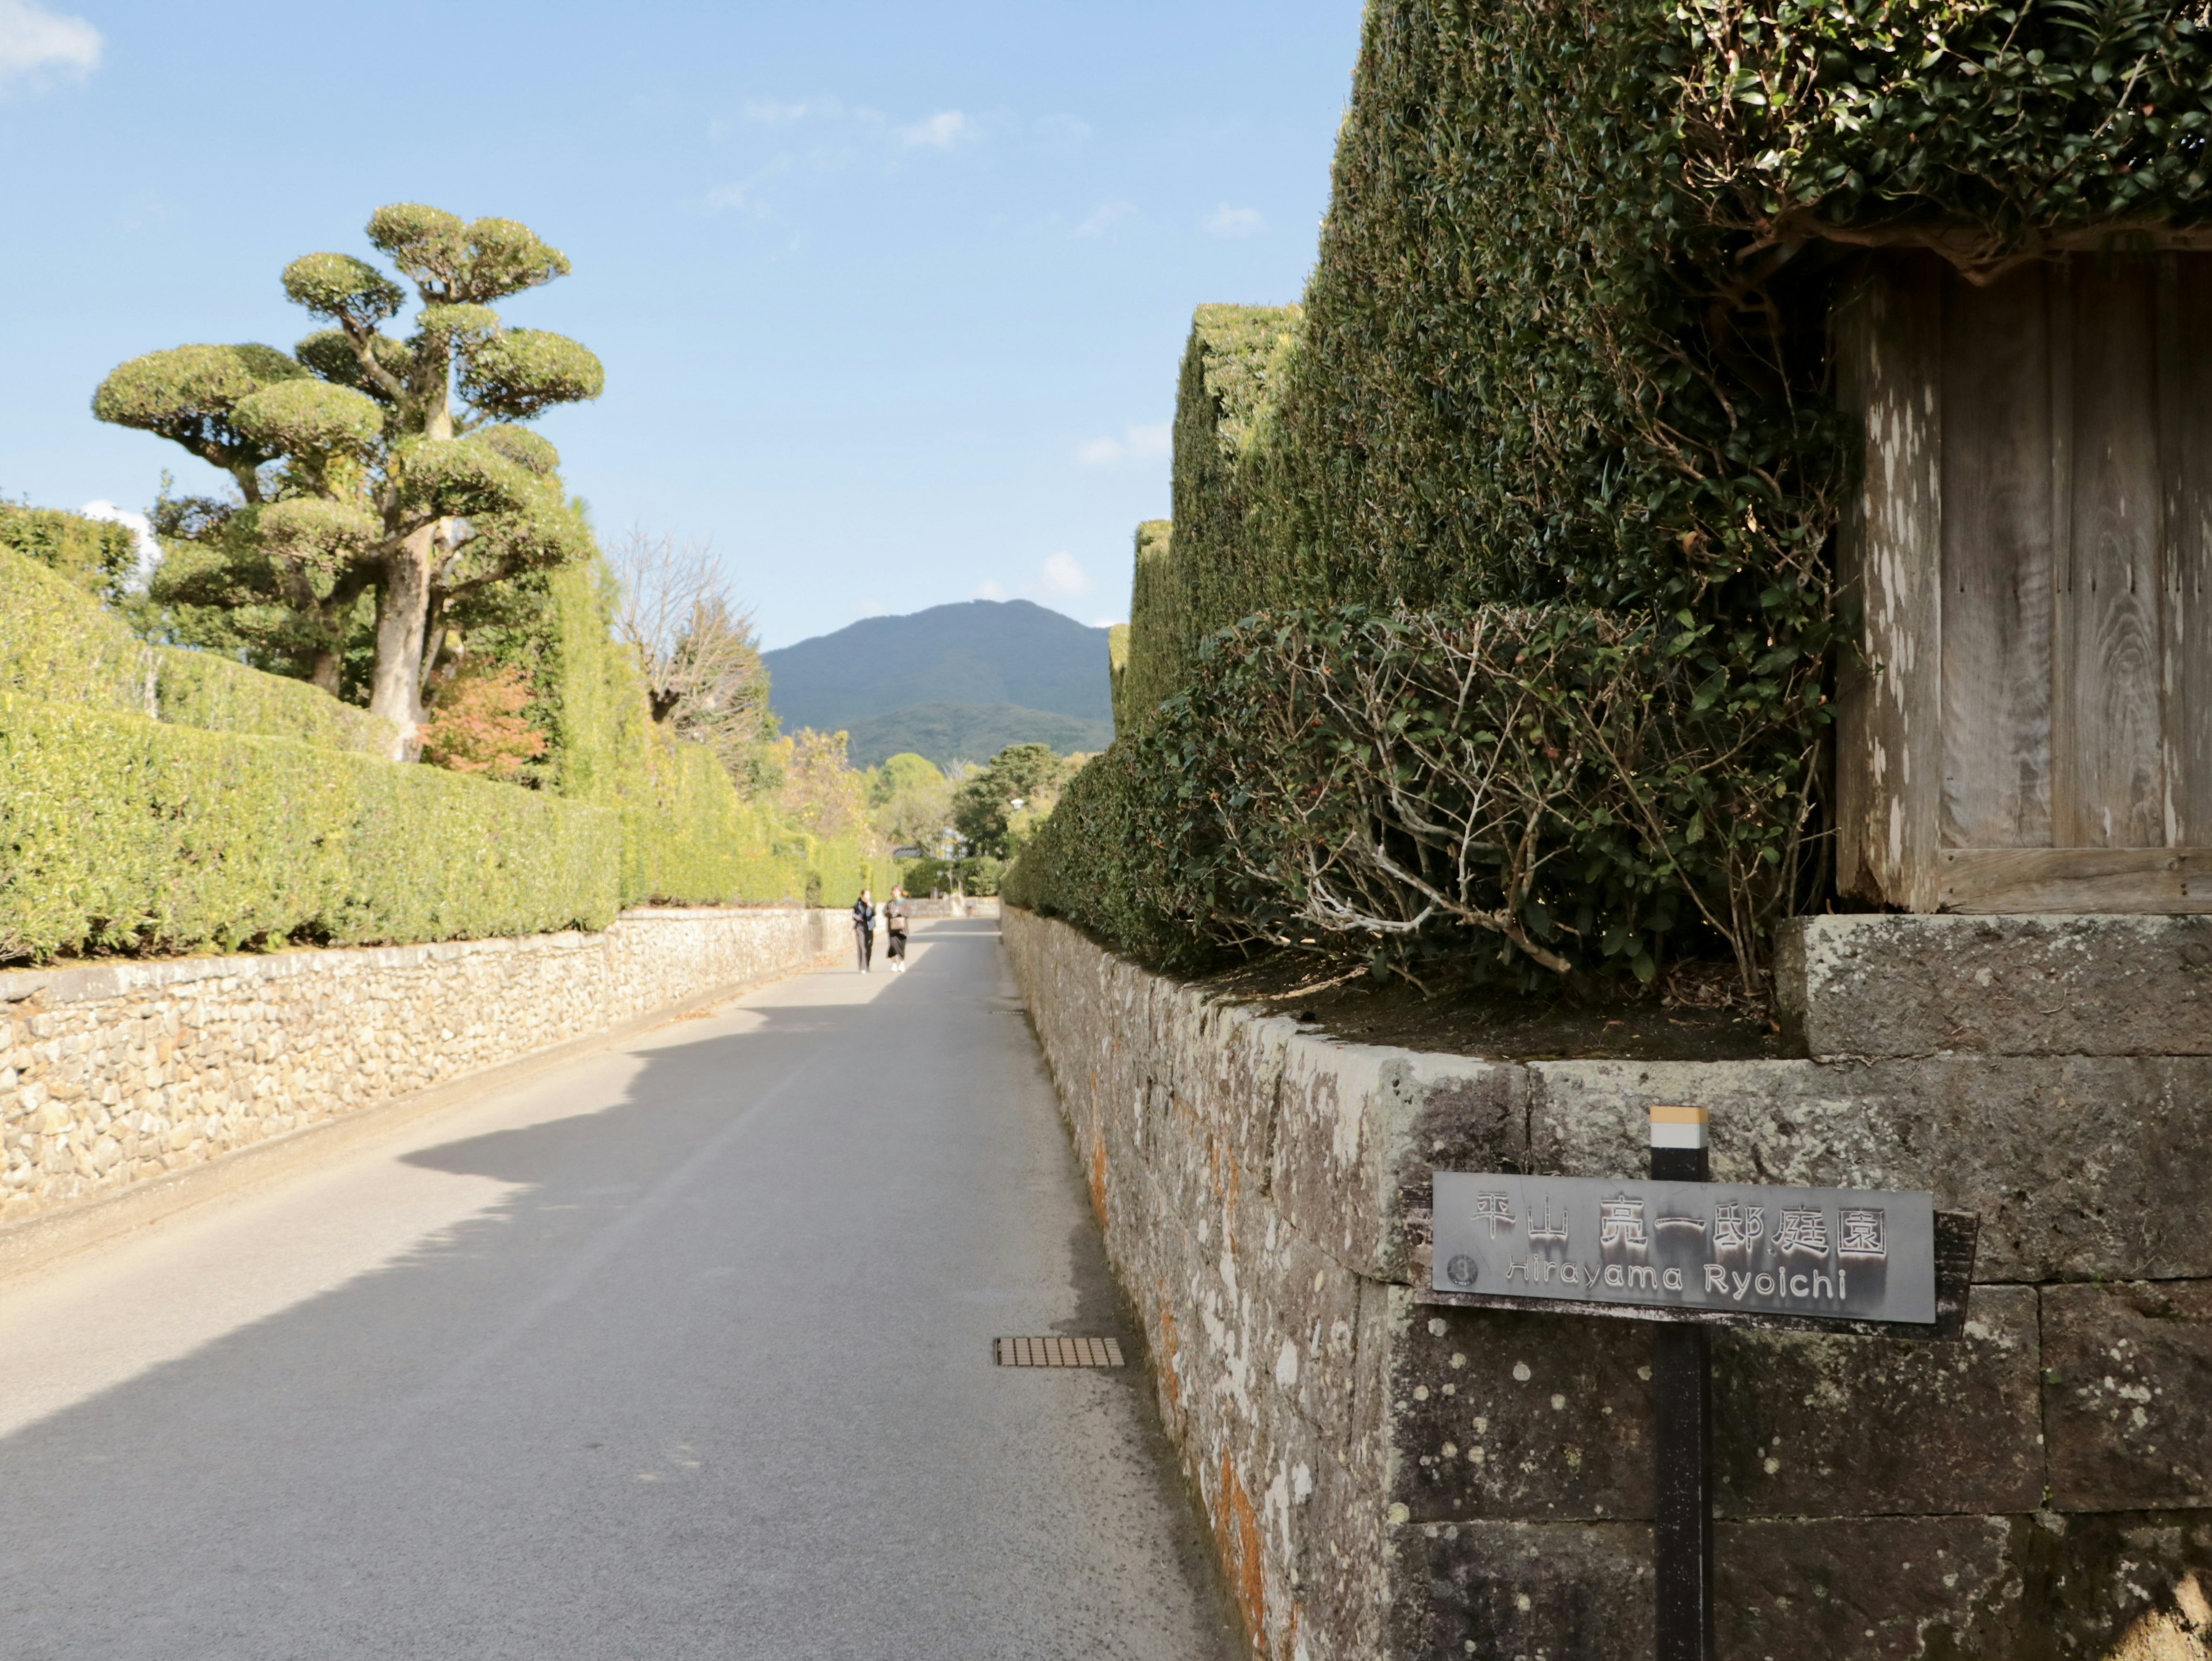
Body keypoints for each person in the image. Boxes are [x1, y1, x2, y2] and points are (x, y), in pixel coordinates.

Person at [884, 887, 911, 973]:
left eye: (896, 891)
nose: (894, 893)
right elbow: (884, 912)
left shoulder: (905, 902)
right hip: (892, 928)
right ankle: (894, 963)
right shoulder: (890, 903)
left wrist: (900, 911)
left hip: (902, 929)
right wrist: (891, 912)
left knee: (902, 946)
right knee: (893, 946)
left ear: (900, 892)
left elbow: (908, 913)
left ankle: (902, 963)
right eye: (893, 891)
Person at [851, 888, 876, 973]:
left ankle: (867, 965)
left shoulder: (872, 903)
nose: (867, 897)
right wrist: (856, 917)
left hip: (869, 927)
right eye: (866, 895)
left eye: (868, 895)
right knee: (862, 947)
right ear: (862, 896)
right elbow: (854, 916)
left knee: (868, 947)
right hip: (860, 927)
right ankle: (862, 968)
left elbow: (873, 914)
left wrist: (870, 907)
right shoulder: (857, 905)